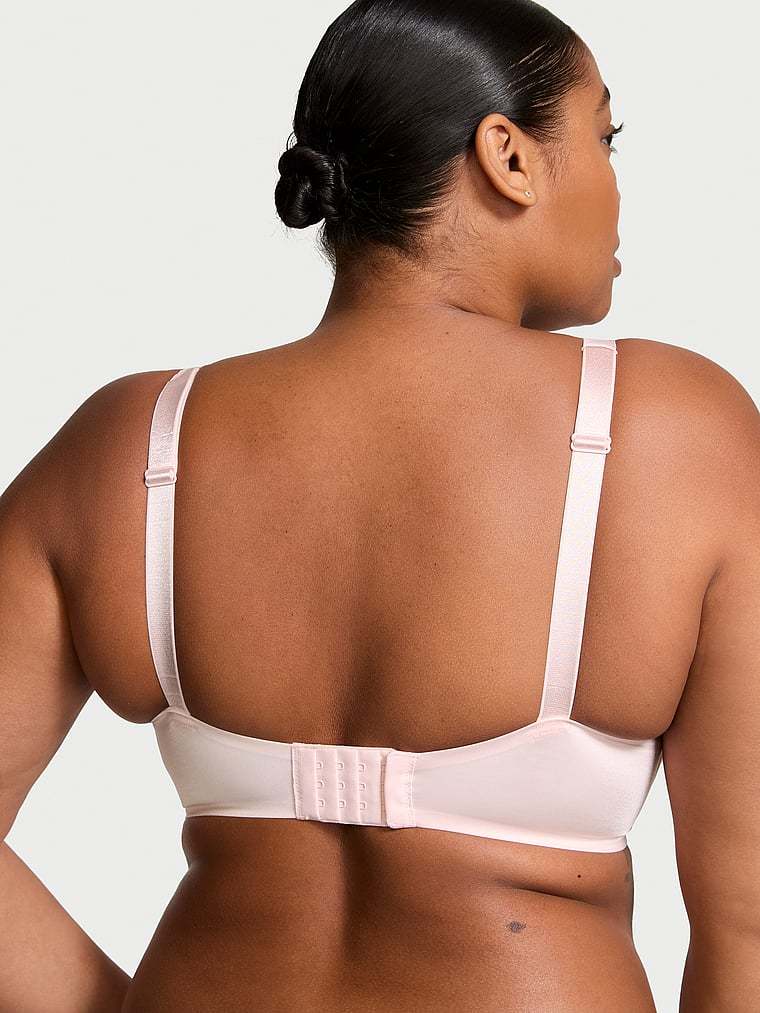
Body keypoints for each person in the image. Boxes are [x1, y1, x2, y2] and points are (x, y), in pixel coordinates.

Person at [2, 1, 759, 1010]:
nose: (616, 183)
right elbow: (747, 921)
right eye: (604, 137)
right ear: (508, 157)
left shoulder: (131, 444)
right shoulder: (675, 432)